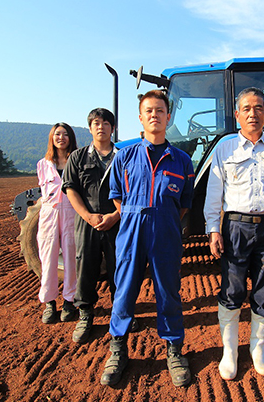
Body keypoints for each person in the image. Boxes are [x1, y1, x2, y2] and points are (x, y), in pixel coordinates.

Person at [204, 87, 264, 380]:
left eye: (259, 108)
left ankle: (258, 349)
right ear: (237, 115)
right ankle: (230, 352)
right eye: (246, 108)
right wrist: (212, 229)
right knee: (233, 289)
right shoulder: (224, 149)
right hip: (235, 227)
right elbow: (213, 193)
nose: (253, 113)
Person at [100, 90, 195, 387]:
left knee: (168, 292)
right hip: (131, 233)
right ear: (140, 117)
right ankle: (118, 349)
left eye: (160, 110)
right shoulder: (124, 157)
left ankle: (174, 349)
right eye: (149, 111)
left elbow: (184, 205)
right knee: (125, 291)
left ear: (168, 117)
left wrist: (160, 218)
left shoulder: (181, 160)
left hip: (166, 232)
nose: (155, 115)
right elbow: (116, 196)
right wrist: (135, 216)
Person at [62, 108, 133, 344]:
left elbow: (132, 192)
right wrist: (87, 216)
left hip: (118, 222)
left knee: (119, 269)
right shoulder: (78, 157)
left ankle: (120, 313)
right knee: (85, 268)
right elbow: (71, 189)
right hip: (87, 223)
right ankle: (85, 314)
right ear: (90, 128)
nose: (100, 127)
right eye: (95, 123)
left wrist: (115, 215)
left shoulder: (125, 156)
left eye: (105, 123)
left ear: (112, 128)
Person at [36, 122, 79, 324]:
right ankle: (49, 302)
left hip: (71, 212)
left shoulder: (77, 161)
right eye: (57, 134)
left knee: (71, 259)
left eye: (65, 134)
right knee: (48, 260)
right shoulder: (43, 164)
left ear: (71, 138)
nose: (61, 138)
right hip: (50, 214)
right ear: (52, 138)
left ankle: (70, 301)